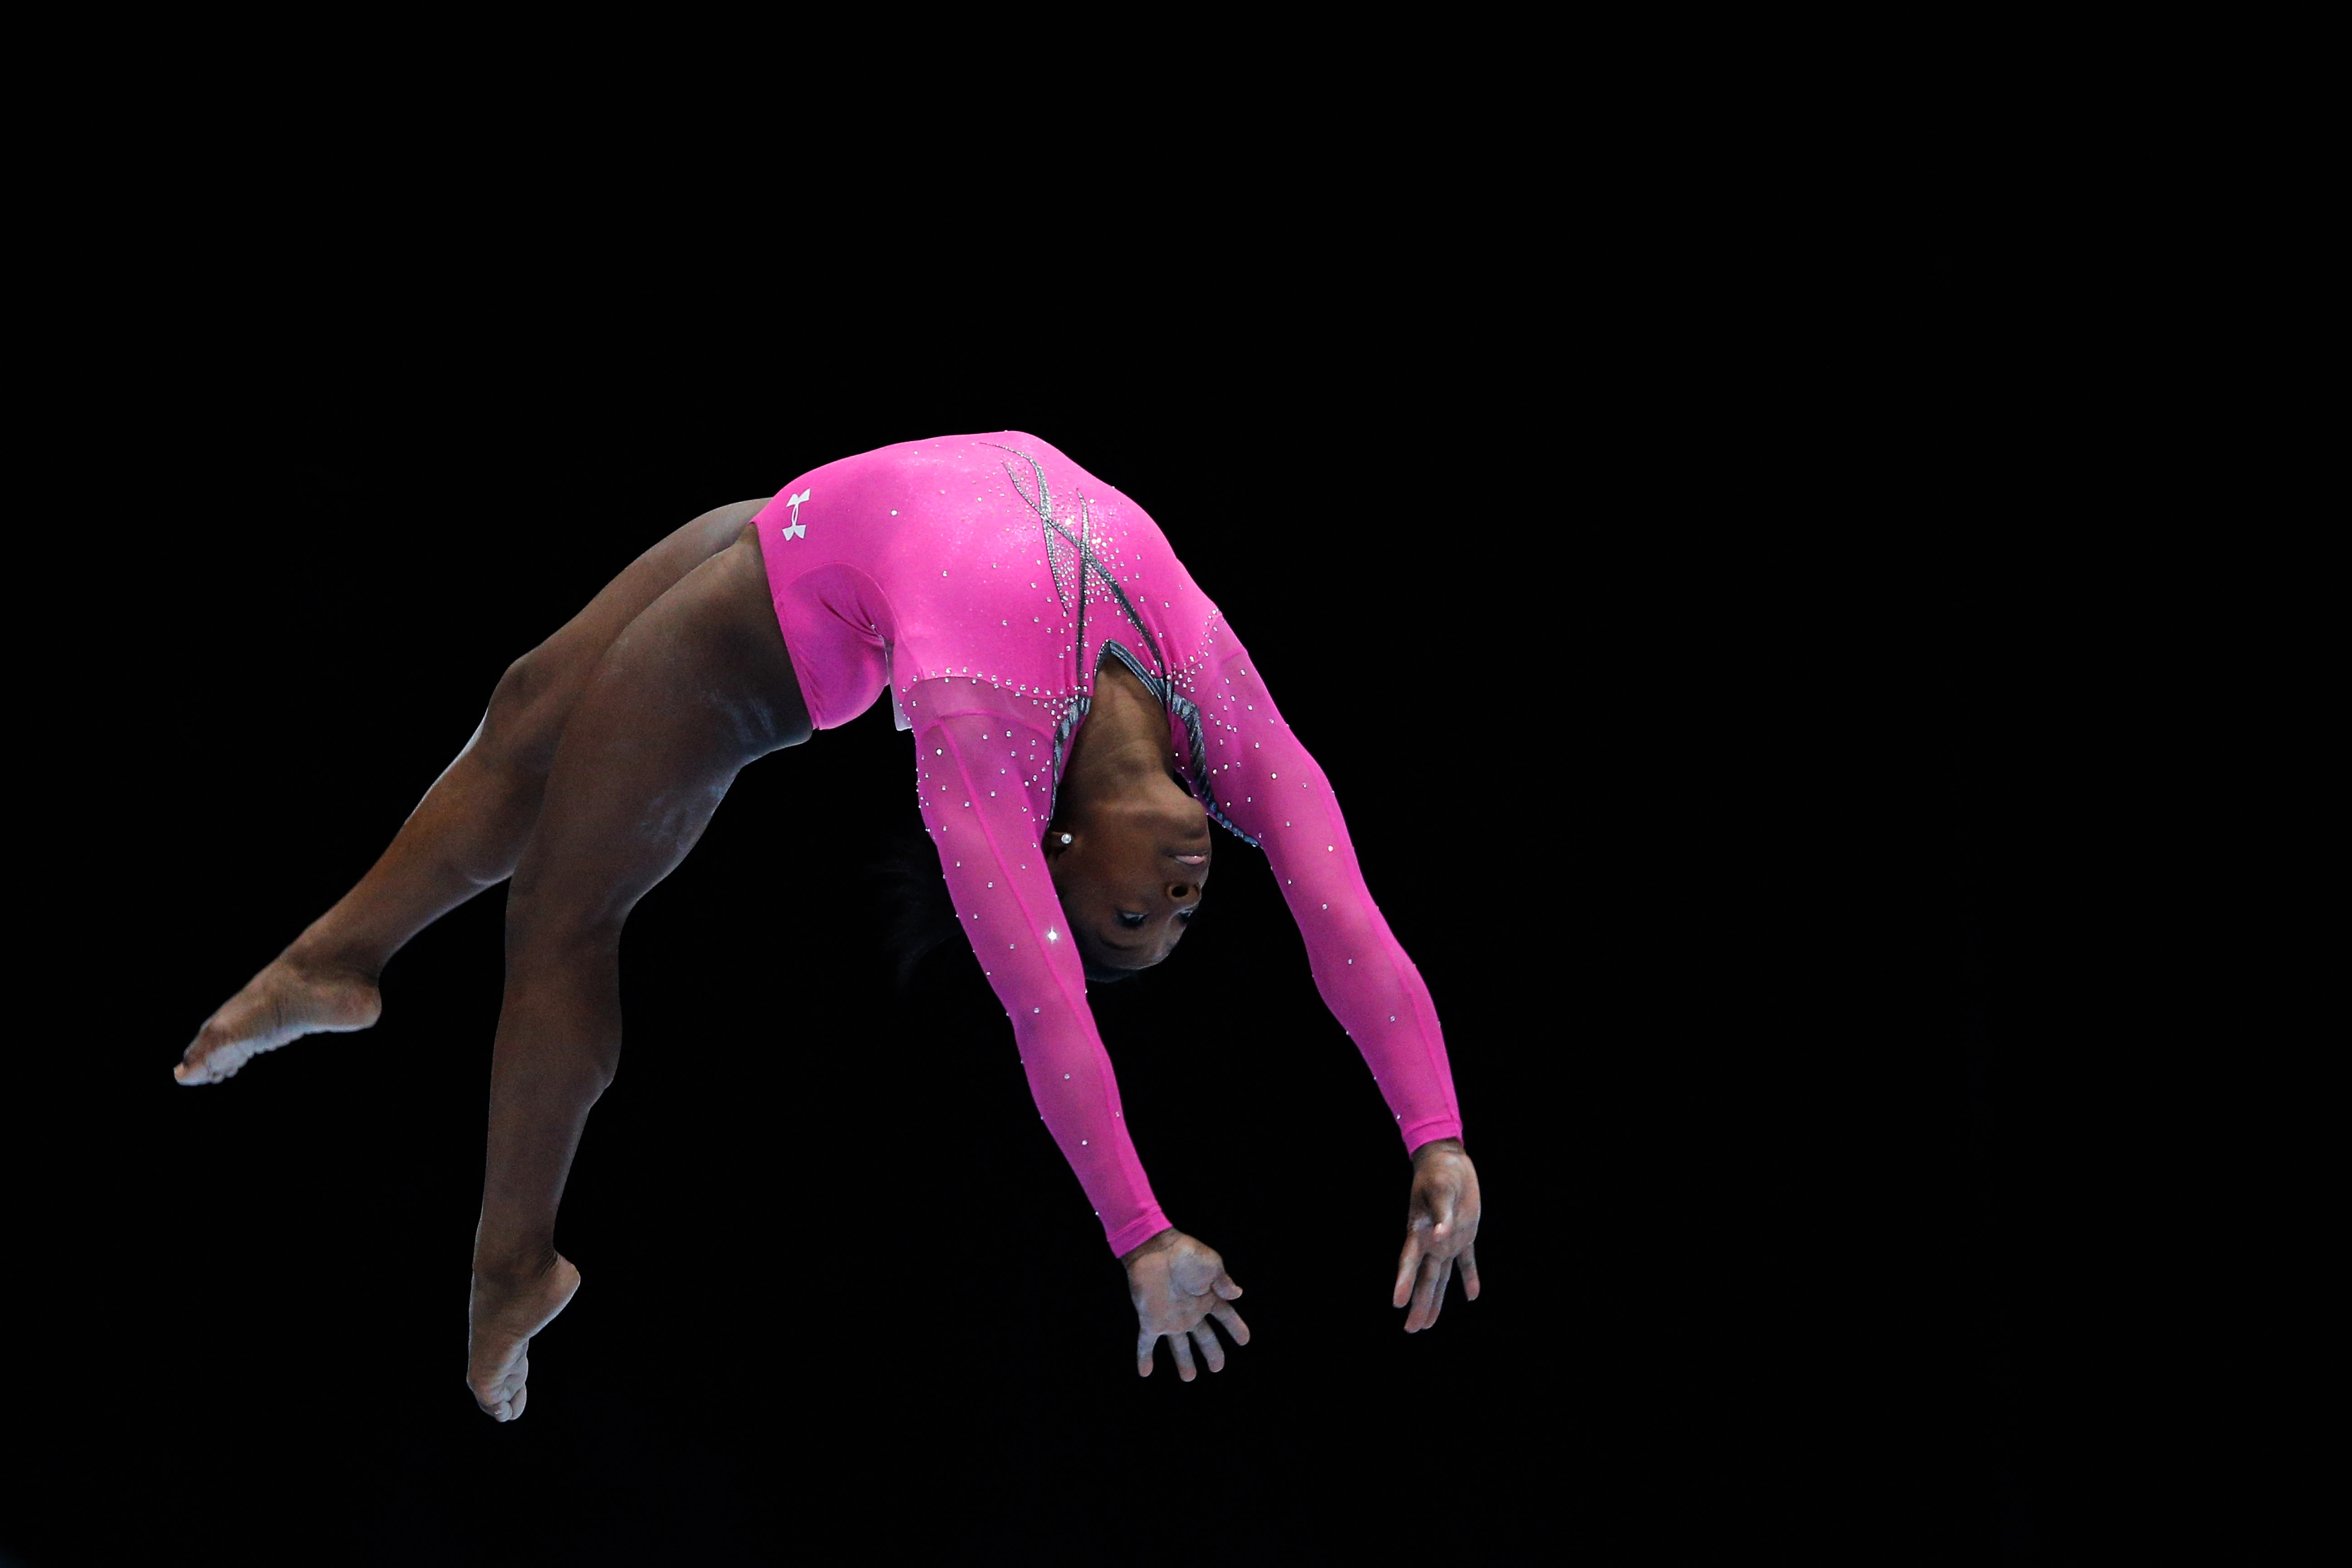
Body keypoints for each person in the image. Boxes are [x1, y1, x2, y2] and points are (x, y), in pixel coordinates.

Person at [173, 431, 1484, 1420]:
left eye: (1137, 918)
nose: (1185, 894)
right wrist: (1439, 1136)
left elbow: (1049, 1011)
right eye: (1185, 912)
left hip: (765, 636)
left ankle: (510, 1268)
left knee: (560, 912)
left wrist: (1140, 1233)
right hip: (812, 514)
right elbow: (1345, 918)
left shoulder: (987, 742)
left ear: (1061, 854)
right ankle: (336, 962)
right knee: (526, 712)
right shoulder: (1218, 709)